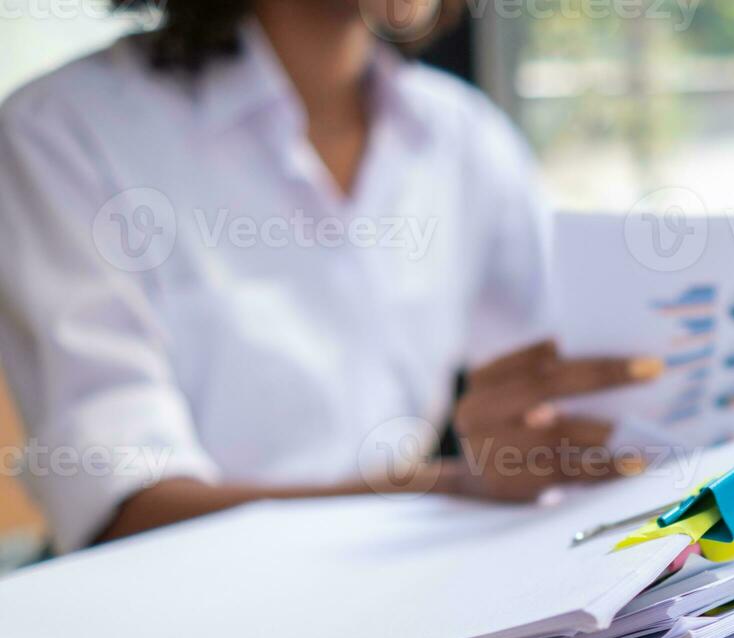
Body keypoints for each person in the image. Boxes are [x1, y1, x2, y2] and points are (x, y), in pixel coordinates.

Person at [0, 0, 662, 556]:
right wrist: (457, 485)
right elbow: (123, 511)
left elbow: (569, 387)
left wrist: (537, 440)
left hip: (410, 604)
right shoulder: (64, 129)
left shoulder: (460, 134)